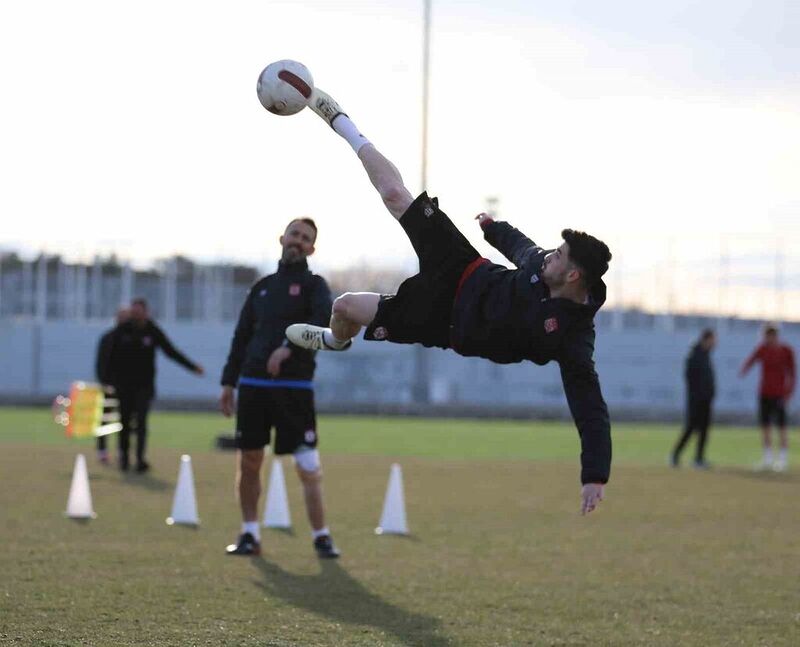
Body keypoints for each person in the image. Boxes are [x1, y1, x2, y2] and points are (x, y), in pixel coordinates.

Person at [287, 88, 612, 515]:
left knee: (346, 307)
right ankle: (341, 121)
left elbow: (589, 405)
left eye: (559, 256)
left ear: (572, 277)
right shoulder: (542, 264)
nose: (550, 254)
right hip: (462, 267)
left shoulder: (572, 338)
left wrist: (594, 473)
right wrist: (492, 228)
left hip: (443, 322)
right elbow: (520, 246)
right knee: (396, 196)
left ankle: (334, 340)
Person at [220, 219, 340, 558]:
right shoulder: (261, 287)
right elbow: (241, 337)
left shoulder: (315, 286)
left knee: (307, 466)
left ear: (311, 248)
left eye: (305, 239)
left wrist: (290, 348)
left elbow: (321, 324)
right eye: (294, 234)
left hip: (295, 388)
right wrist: (228, 382)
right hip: (254, 385)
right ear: (282, 238)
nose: (298, 241)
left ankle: (322, 537)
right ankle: (249, 534)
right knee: (250, 461)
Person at [107, 298, 204, 473]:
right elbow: (109, 357)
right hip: (124, 387)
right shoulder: (122, 331)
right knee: (125, 423)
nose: (136, 315)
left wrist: (192, 367)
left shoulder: (152, 331)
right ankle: (124, 458)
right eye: (133, 311)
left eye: (139, 311)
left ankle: (140, 459)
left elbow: (171, 351)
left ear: (146, 312)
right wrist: (109, 381)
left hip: (144, 387)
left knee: (142, 424)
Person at [740, 324, 795, 471]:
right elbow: (751, 360)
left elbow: (792, 373)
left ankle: (783, 459)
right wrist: (744, 369)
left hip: (779, 394)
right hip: (764, 393)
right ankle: (768, 458)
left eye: (770, 336)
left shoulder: (786, 350)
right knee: (765, 427)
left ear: (775, 336)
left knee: (782, 427)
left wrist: (788, 393)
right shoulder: (762, 349)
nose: (767, 339)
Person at [671, 329, 716, 468]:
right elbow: (691, 379)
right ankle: (675, 455)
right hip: (696, 400)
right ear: (706, 339)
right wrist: (698, 395)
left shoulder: (706, 355)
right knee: (691, 428)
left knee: (704, 430)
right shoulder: (694, 355)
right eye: (713, 340)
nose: (714, 343)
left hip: (706, 400)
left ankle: (699, 458)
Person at [94, 307, 130, 464]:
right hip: (109, 386)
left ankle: (123, 451)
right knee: (104, 419)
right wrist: (104, 382)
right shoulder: (107, 338)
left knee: (125, 420)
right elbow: (101, 363)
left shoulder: (131, 339)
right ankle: (102, 450)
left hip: (127, 388)